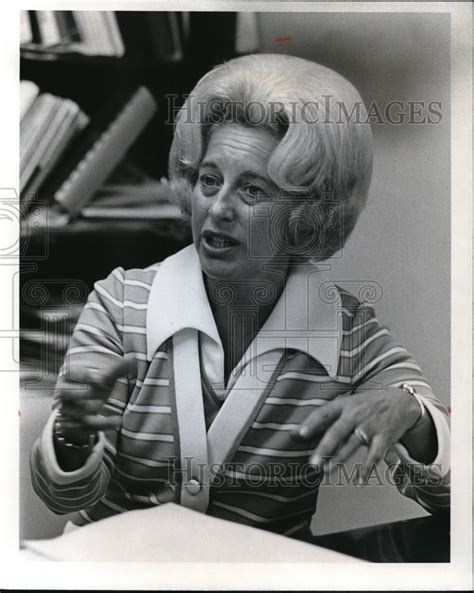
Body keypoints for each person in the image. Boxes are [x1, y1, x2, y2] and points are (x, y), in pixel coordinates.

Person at [31, 54, 450, 538]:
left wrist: (412, 416)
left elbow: (451, 499)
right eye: (209, 180)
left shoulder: (349, 337)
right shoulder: (120, 304)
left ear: (308, 212)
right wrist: (73, 435)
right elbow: (63, 496)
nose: (219, 208)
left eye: (252, 190)